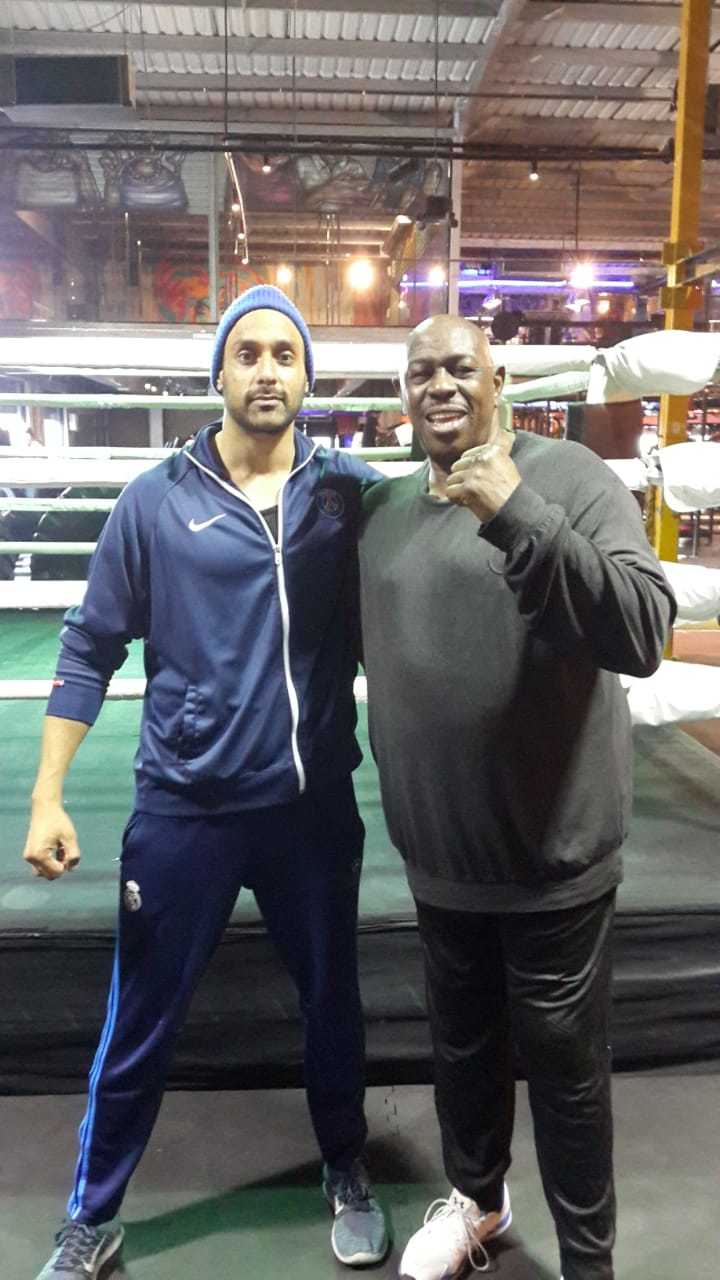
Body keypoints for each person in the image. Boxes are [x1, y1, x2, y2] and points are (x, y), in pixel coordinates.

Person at [23, 285, 388, 1280]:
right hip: (186, 809)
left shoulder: (348, 493)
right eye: (248, 353)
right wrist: (48, 794)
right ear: (219, 373)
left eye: (285, 354)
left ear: (308, 377)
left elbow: (438, 560)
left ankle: (347, 1167)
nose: (267, 370)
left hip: (310, 810)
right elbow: (88, 647)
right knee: (140, 1016)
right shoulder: (156, 499)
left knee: (333, 1000)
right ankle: (91, 1216)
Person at [357, 315, 676, 1280]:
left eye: (462, 367)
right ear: (402, 394)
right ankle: (479, 1203)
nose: (442, 385)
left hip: (553, 861)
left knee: (568, 1077)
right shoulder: (383, 512)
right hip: (441, 858)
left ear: (497, 381)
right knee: (462, 1052)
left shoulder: (568, 477)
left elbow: (644, 630)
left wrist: (517, 511)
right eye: (422, 371)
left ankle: (587, 1261)